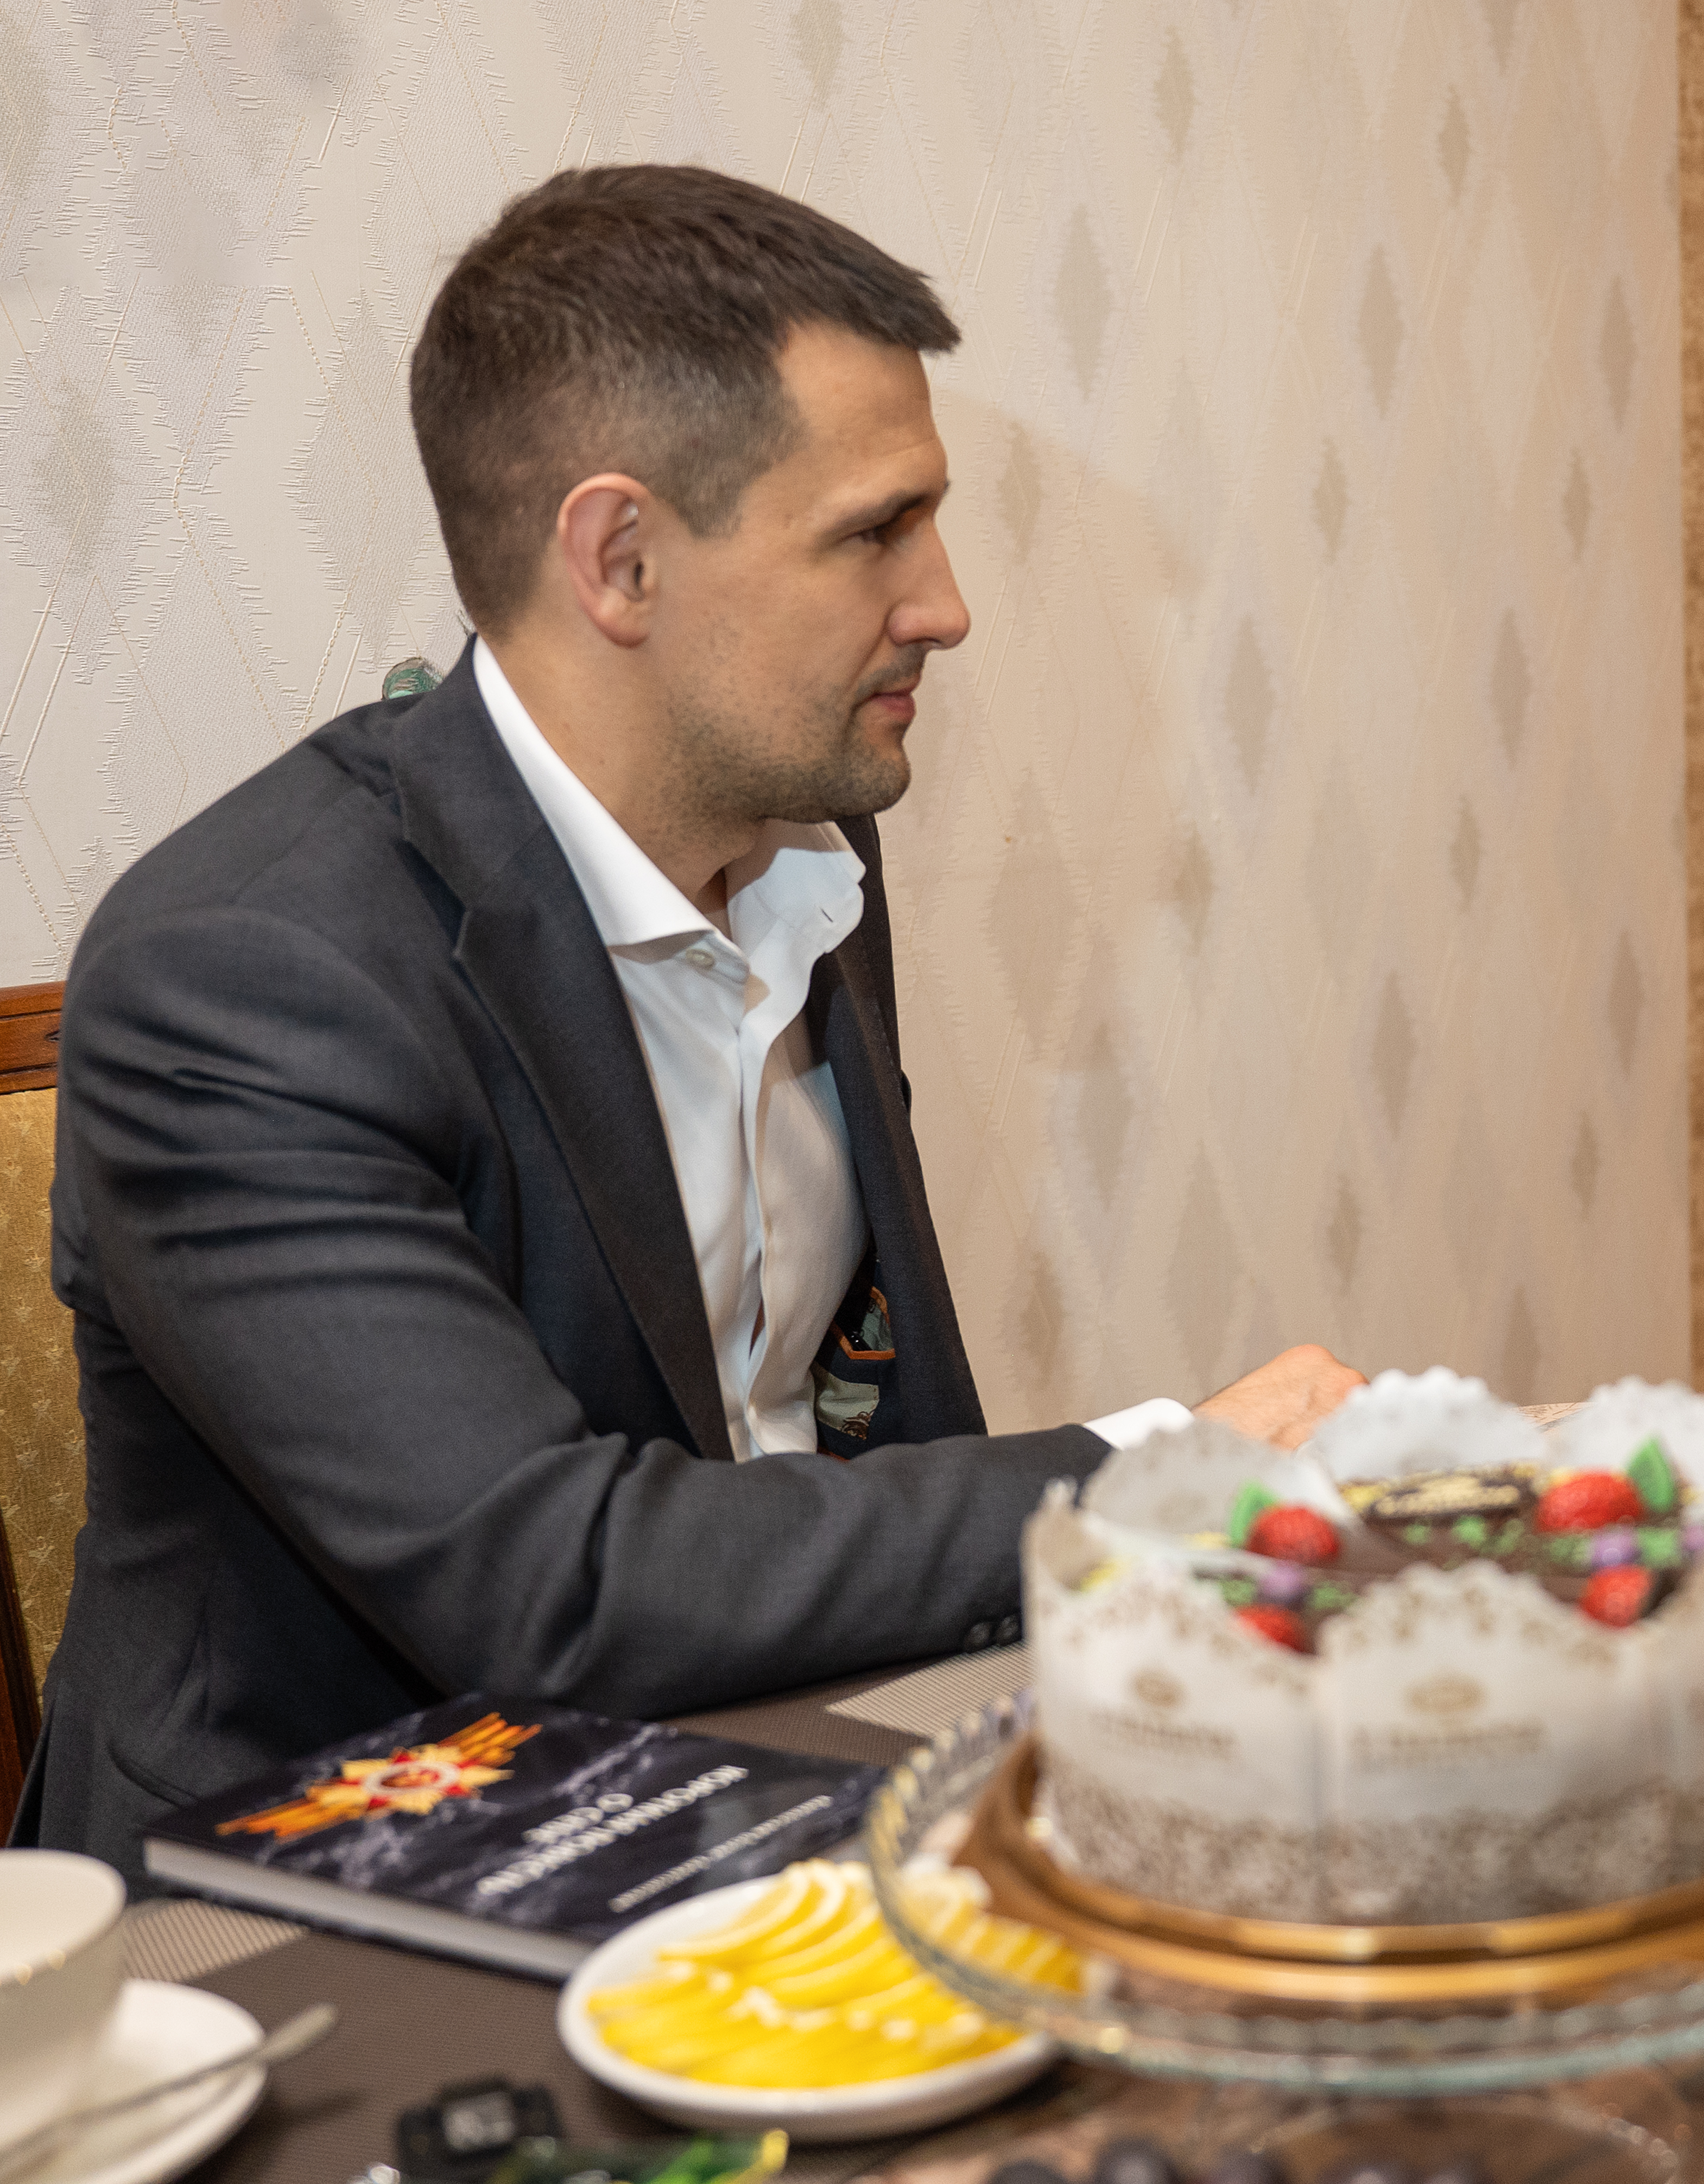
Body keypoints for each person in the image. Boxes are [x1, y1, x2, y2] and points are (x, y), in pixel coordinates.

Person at [15, 167, 1362, 1880]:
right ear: (622, 558)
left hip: (754, 1789)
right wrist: (1152, 1474)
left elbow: (874, 1427)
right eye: (877, 530)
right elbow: (547, 1588)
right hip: (310, 1896)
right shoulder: (243, 974)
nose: (945, 601)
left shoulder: (803, 832)